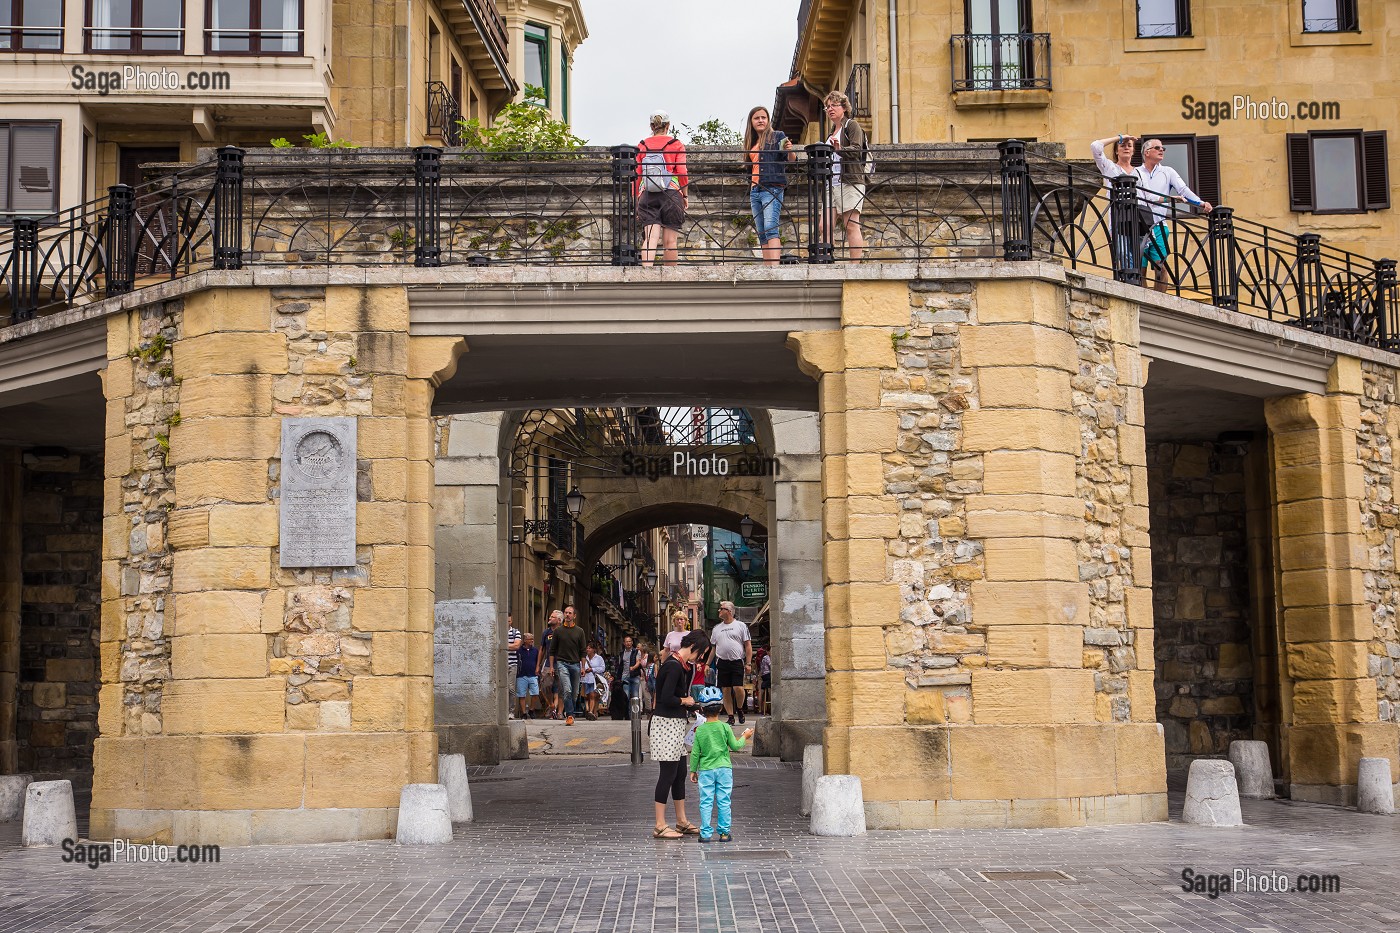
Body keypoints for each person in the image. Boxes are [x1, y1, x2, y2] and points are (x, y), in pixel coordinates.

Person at [650, 629, 709, 839]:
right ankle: (659, 824)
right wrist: (685, 701)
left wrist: (692, 707)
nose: (700, 658)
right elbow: (666, 697)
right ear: (694, 648)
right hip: (665, 725)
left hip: (674, 724)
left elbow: (676, 696)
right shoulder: (674, 666)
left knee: (679, 774)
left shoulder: (679, 665)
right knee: (667, 774)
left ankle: (682, 820)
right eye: (701, 653)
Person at [1135, 139, 1213, 293]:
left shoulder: (1168, 172)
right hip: (1140, 226)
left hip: (1159, 226)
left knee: (1161, 267)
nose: (1161, 150)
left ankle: (1160, 302)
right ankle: (1143, 303)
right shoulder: (1136, 172)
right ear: (1146, 152)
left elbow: (1183, 190)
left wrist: (1201, 203)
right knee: (1140, 269)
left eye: (1162, 147)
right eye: (1157, 148)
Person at [689, 686, 753, 842]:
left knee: (706, 801)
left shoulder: (700, 730)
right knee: (724, 800)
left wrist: (693, 770)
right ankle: (724, 833)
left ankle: (705, 834)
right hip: (724, 769)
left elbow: (695, 753)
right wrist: (745, 736)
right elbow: (736, 746)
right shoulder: (725, 727)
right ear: (722, 707)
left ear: (702, 710)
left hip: (705, 770)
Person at [743, 105, 796, 266]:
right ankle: (768, 268)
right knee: (762, 231)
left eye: (763, 117)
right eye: (756, 118)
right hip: (755, 190)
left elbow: (791, 159)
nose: (760, 120)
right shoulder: (751, 142)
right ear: (751, 122)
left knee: (770, 226)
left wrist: (790, 150)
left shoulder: (777, 136)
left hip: (772, 187)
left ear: (768, 120)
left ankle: (774, 268)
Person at [636, 110, 688, 267]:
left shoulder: (642, 146)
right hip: (671, 193)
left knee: (650, 238)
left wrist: (636, 198)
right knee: (670, 241)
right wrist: (684, 195)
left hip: (648, 194)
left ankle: (646, 275)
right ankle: (671, 280)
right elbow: (682, 172)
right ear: (668, 126)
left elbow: (637, 176)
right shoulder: (676, 144)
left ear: (651, 126)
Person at [822, 90, 868, 261]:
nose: (830, 109)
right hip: (831, 183)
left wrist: (840, 149)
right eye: (827, 106)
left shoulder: (852, 125)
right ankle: (827, 261)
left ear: (844, 107)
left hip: (850, 180)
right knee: (824, 226)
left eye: (834, 105)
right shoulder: (831, 132)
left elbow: (857, 149)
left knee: (851, 225)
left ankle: (854, 266)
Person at [711, 601, 753, 725]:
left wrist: (749, 663)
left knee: (738, 688)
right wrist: (707, 664)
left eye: (721, 609)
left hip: (737, 661)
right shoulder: (716, 628)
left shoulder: (740, 626)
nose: (719, 611)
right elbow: (713, 648)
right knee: (725, 690)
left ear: (729, 611)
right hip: (722, 662)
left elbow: (748, 645)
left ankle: (739, 708)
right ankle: (730, 715)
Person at [550, 605, 587, 725]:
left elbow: (583, 651)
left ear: (574, 616)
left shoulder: (580, 631)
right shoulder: (558, 631)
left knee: (575, 693)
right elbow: (552, 650)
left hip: (576, 665)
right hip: (562, 664)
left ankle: (570, 710)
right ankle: (570, 715)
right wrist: (551, 666)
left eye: (570, 613)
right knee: (567, 689)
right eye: (566, 613)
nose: (567, 615)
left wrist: (583, 667)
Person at [540, 611, 561, 719]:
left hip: (561, 663)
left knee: (560, 689)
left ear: (559, 620)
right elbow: (542, 649)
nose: (550, 618)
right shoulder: (546, 632)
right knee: (545, 686)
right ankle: (551, 705)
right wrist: (538, 665)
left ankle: (558, 712)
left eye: (552, 617)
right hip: (548, 663)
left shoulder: (563, 632)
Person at [515, 632, 541, 719]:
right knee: (521, 694)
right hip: (521, 675)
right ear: (525, 640)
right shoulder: (519, 650)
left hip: (533, 674)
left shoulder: (535, 651)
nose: (532, 641)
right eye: (530, 639)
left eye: (532, 639)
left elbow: (538, 661)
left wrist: (537, 669)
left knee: (535, 693)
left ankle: (531, 709)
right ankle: (523, 713)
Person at [580, 643, 606, 720]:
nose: (587, 650)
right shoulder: (584, 658)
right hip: (585, 680)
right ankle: (593, 712)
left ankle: (591, 712)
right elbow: (581, 667)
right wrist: (583, 670)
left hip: (594, 680)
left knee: (593, 696)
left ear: (594, 649)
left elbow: (602, 668)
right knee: (587, 697)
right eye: (587, 648)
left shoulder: (599, 658)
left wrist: (592, 669)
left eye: (589, 648)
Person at [618, 635, 644, 703]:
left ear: (632, 642)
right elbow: (620, 665)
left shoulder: (636, 651)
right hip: (625, 677)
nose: (628, 643)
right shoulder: (621, 653)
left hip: (635, 676)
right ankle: (627, 713)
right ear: (624, 643)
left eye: (629, 641)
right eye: (626, 642)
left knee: (635, 697)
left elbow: (638, 662)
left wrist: (633, 667)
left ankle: (634, 713)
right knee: (626, 696)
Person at [506, 613, 521, 718]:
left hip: (512, 664)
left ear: (511, 621)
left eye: (509, 621)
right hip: (500, 665)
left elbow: (516, 646)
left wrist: (502, 646)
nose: (507, 622)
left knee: (511, 688)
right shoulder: (498, 631)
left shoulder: (516, 632)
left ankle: (511, 712)